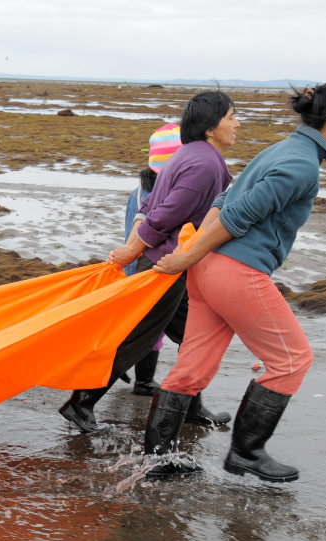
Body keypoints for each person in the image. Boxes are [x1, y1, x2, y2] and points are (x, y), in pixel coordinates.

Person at [142, 82, 326, 482]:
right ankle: (246, 452)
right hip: (236, 272)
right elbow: (237, 215)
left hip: (210, 270)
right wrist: (187, 256)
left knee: (191, 369)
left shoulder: (282, 149)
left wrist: (195, 256)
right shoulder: (302, 164)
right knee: (292, 359)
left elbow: (222, 202)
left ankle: (157, 459)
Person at [59, 92, 238, 433]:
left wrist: (133, 246)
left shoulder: (188, 155)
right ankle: (80, 403)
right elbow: (165, 216)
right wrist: (133, 250)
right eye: (231, 117)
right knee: (137, 340)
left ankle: (191, 407)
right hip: (166, 269)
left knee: (193, 337)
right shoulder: (203, 163)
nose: (237, 124)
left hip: (173, 267)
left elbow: (149, 207)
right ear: (212, 127)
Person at [125, 123, 181, 396]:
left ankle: (139, 377)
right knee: (151, 327)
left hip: (137, 264)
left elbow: (130, 234)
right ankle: (143, 381)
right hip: (153, 265)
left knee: (146, 325)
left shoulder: (139, 191)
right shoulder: (163, 192)